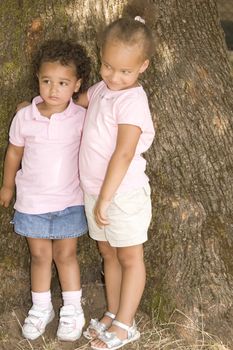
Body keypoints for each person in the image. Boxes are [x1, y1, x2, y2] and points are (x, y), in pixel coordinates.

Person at [0, 39, 91, 342]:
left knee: (66, 255)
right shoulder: (26, 116)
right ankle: (41, 309)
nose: (54, 89)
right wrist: (7, 185)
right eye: (47, 81)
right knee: (39, 256)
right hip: (32, 201)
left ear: (77, 84)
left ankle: (73, 309)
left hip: (70, 200)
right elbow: (14, 152)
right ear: (37, 79)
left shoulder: (81, 117)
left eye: (63, 83)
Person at [78, 12, 155, 350]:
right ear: (101, 57)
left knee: (129, 257)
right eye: (108, 66)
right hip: (96, 191)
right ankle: (113, 310)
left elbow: (123, 154)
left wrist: (106, 198)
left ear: (143, 66)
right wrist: (42, 105)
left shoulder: (132, 101)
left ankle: (126, 323)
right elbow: (81, 102)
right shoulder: (102, 88)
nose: (114, 76)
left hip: (120, 195)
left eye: (125, 70)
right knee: (107, 253)